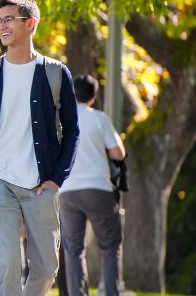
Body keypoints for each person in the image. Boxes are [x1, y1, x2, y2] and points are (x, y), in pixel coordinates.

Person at [0, 0, 79, 296]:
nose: (2, 26)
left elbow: (72, 131)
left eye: (9, 20)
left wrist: (57, 177)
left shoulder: (56, 73)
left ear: (30, 23)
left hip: (41, 183)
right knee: (7, 263)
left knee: (46, 268)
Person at [59, 75, 125, 296]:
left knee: (73, 249)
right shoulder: (99, 118)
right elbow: (118, 153)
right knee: (110, 245)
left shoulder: (61, 121)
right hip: (98, 188)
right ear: (93, 97)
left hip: (67, 191)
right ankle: (112, 292)